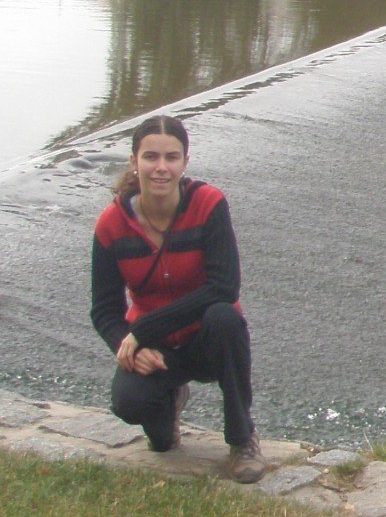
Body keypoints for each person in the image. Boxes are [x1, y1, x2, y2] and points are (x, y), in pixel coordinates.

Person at [90, 114, 267, 483]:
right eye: (150, 157)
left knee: (226, 319)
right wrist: (130, 348)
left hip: (208, 339)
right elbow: (104, 308)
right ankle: (169, 405)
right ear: (134, 162)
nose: (160, 168)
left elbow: (224, 287)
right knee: (134, 410)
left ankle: (242, 438)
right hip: (157, 350)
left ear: (185, 162)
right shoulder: (111, 225)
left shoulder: (208, 204)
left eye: (171, 158)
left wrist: (141, 330)